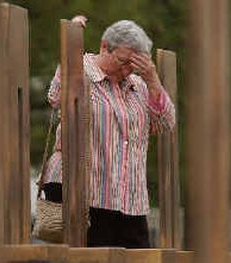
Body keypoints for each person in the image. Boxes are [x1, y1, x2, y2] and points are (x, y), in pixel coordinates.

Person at [42, 16, 176, 248]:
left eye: (134, 65)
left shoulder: (138, 86)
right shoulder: (79, 68)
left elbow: (165, 123)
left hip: (130, 199)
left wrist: (152, 79)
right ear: (104, 46)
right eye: (123, 61)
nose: (127, 70)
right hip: (87, 194)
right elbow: (55, 96)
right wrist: (72, 43)